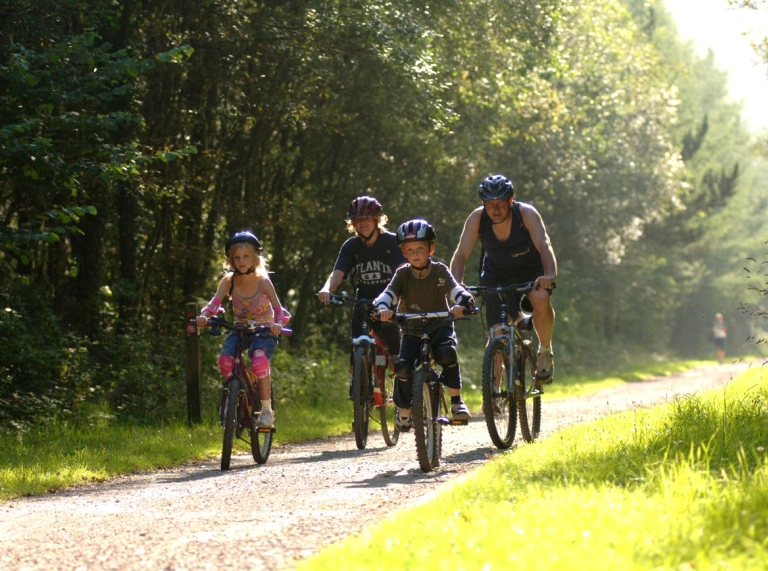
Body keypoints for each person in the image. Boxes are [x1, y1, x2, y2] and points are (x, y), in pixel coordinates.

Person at [450, 174, 557, 383]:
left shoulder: (526, 214)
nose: (495, 209)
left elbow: (544, 245)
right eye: (490, 205)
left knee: (541, 298)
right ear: (484, 204)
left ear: (511, 201)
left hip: (531, 270)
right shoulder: (477, 219)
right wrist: (456, 287)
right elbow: (461, 254)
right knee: (496, 332)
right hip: (496, 273)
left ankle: (545, 352)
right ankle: (494, 393)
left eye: (500, 204)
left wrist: (550, 274)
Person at [375, 219, 476, 431]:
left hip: (440, 325)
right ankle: (404, 410)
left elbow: (455, 289)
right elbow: (388, 294)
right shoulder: (402, 273)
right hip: (411, 328)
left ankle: (457, 402)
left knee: (447, 353)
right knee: (403, 367)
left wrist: (464, 302)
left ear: (431, 248)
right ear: (403, 252)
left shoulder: (439, 270)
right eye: (409, 250)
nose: (415, 253)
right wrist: (383, 308)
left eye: (420, 248)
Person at [196, 231, 291, 428]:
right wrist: (204, 316)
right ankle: (233, 402)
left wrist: (278, 325)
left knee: (258, 361)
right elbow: (213, 303)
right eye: (236, 257)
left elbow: (280, 310)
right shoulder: (229, 281)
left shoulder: (263, 282)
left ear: (255, 257)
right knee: (224, 361)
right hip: (239, 329)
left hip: (264, 330)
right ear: (231, 260)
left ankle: (266, 410)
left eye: (246, 256)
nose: (241, 261)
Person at [317, 196, 407, 379]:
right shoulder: (351, 246)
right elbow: (338, 273)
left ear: (376, 219)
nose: (362, 223)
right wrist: (327, 289)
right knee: (358, 341)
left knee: (395, 348)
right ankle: (358, 383)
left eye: (366, 218)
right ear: (353, 223)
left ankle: (402, 379)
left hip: (390, 301)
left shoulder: (392, 242)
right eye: (358, 220)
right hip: (363, 301)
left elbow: (404, 272)